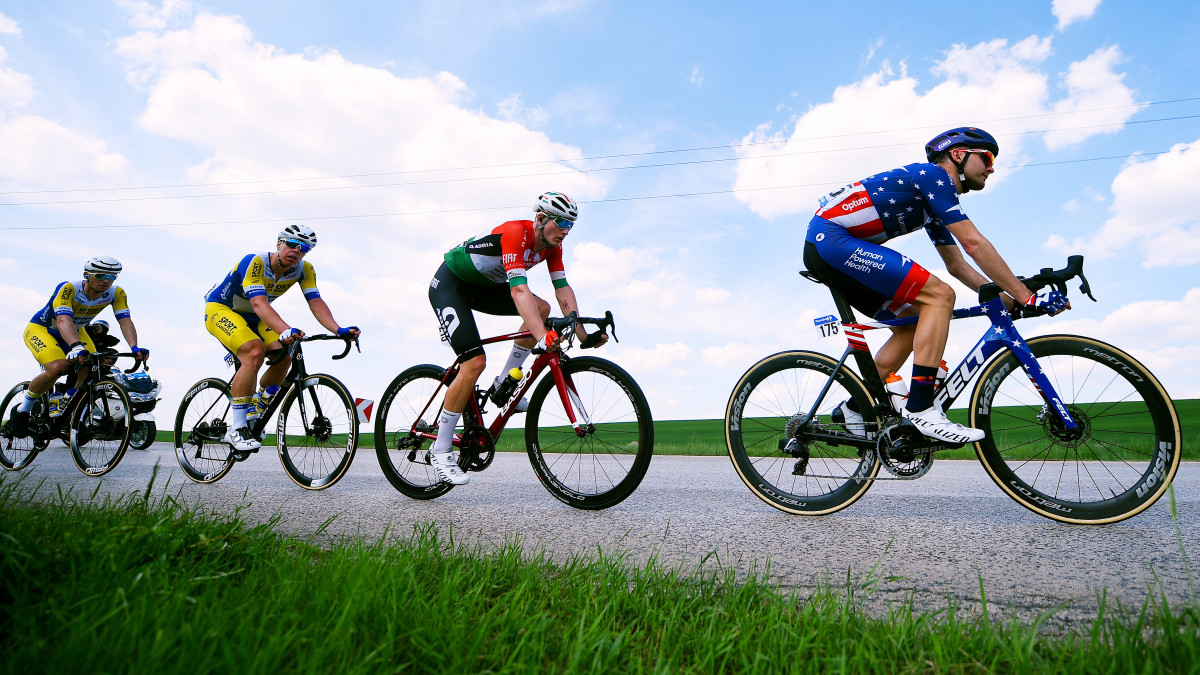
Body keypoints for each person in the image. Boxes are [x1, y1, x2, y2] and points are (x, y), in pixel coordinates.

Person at [802, 127, 1069, 444]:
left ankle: (855, 407)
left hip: (832, 249)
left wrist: (1012, 303)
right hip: (831, 239)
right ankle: (921, 407)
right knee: (940, 297)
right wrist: (1027, 296)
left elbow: (957, 265)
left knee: (913, 325)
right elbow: (972, 243)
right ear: (958, 154)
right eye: (987, 157)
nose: (992, 166)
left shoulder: (934, 203)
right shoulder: (933, 177)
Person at [426, 191, 608, 485]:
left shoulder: (552, 248)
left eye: (570, 225)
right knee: (473, 364)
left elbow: (562, 290)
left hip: (484, 288)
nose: (565, 231)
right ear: (540, 218)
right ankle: (441, 447)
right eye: (561, 222)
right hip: (451, 285)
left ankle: (503, 385)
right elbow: (518, 291)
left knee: (543, 308)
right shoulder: (515, 233)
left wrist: (582, 333)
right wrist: (542, 335)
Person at [203, 225, 360, 452]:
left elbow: (315, 301)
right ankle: (236, 428)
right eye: (292, 245)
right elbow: (258, 303)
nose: (297, 251)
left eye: (303, 249)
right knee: (254, 351)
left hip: (256, 317)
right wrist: (285, 328)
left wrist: (338, 329)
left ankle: (258, 403)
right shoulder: (255, 261)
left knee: (285, 353)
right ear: (279, 244)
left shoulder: (304, 270)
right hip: (223, 310)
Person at [9, 256, 149, 437]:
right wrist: (75, 346)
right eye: (100, 276)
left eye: (112, 277)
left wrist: (134, 347)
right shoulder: (69, 288)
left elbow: (125, 320)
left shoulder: (116, 293)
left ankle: (68, 397)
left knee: (93, 364)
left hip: (76, 328)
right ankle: (22, 409)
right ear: (87, 275)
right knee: (58, 367)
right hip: (44, 329)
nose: (106, 281)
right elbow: (62, 319)